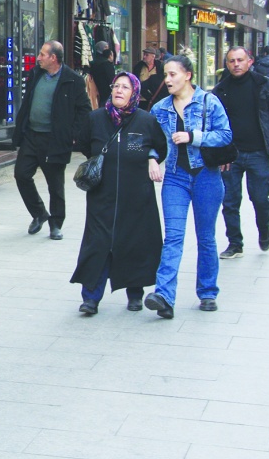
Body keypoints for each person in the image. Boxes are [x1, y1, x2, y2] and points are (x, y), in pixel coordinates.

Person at [70, 71, 167, 315]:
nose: (118, 91)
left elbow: (160, 146)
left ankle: (135, 293)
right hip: (101, 196)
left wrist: (152, 158)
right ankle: (91, 298)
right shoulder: (95, 118)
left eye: (125, 87)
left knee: (134, 242)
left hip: (137, 196)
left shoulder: (146, 121)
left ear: (134, 93)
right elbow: (84, 145)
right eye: (116, 86)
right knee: (97, 244)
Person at [144, 56, 233, 319]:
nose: (167, 79)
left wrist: (194, 137)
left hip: (207, 176)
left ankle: (207, 292)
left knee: (206, 237)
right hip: (174, 177)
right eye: (165, 75)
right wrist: (151, 158)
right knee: (173, 236)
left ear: (188, 76)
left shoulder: (208, 101)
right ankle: (164, 296)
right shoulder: (160, 108)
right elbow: (152, 140)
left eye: (172, 74)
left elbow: (226, 135)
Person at [213, 47, 269, 259]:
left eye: (240, 60)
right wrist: (219, 153)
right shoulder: (221, 89)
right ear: (226, 64)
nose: (236, 64)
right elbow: (213, 124)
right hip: (231, 155)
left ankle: (264, 231)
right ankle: (235, 243)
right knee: (229, 201)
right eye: (231, 61)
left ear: (250, 61)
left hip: (258, 153)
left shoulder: (263, 84)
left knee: (260, 198)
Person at [12, 41, 91, 240]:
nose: (38, 58)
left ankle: (56, 224)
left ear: (53, 58)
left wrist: (73, 135)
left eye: (42, 54)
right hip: (31, 135)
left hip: (54, 140)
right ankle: (39, 213)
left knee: (55, 185)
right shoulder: (36, 74)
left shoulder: (72, 80)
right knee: (21, 174)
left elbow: (84, 110)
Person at [86, 40, 115, 106]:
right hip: (105, 93)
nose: (108, 50)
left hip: (97, 92)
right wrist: (111, 63)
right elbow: (112, 79)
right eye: (105, 48)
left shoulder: (94, 62)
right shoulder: (106, 63)